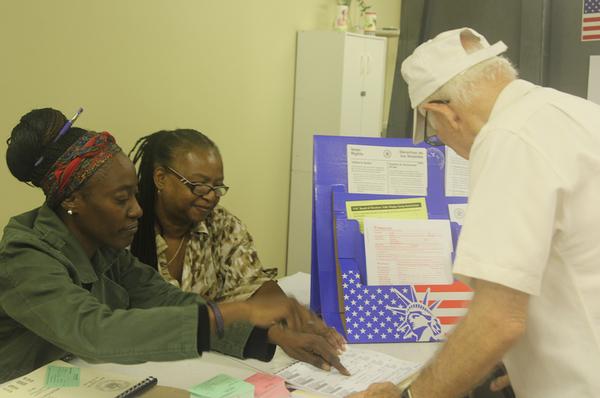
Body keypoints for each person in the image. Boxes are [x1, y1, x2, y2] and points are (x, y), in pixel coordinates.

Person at [350, 27, 600, 398]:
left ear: (442, 113)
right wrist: (520, 358)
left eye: (434, 133)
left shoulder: (507, 139)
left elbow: (497, 320)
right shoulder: (575, 112)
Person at [0, 108, 327, 383]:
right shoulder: (24, 256)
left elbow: (166, 299)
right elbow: (94, 331)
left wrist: (267, 334)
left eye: (133, 194)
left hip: (75, 381)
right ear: (72, 200)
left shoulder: (104, 248)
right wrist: (240, 309)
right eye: (121, 198)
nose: (137, 209)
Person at [128, 129, 348, 372]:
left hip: (204, 363)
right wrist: (274, 334)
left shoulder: (220, 223)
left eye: (218, 187)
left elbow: (254, 285)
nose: (211, 197)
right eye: (199, 186)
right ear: (161, 178)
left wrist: (293, 317)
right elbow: (165, 314)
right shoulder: (128, 229)